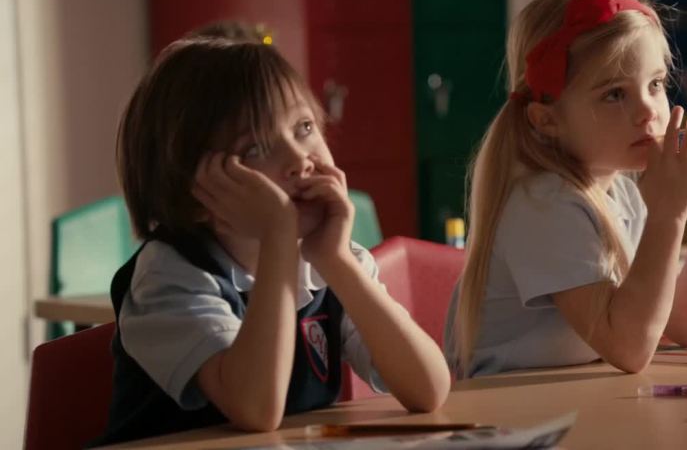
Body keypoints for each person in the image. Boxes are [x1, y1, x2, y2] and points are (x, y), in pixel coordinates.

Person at [93, 33, 450, 446]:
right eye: (255, 148)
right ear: (195, 190)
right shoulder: (168, 275)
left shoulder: (328, 259)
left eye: (304, 127)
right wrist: (278, 236)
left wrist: (336, 261)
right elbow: (255, 409)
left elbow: (428, 389)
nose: (299, 160)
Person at [444, 0, 687, 379]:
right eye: (614, 94)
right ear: (548, 120)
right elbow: (629, 347)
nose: (648, 111)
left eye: (655, 84)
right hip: (499, 410)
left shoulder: (621, 192)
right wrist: (668, 216)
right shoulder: (545, 204)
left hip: (559, 402)